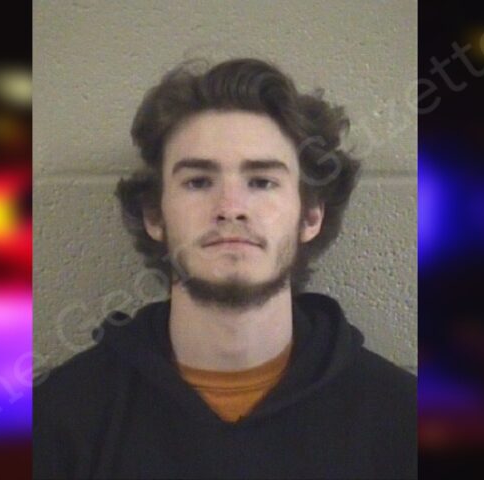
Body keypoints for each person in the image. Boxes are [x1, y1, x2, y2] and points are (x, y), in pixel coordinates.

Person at [33, 58, 417, 479]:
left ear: (311, 216)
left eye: (262, 181)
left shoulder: (402, 421)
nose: (231, 208)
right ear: (154, 216)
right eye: (198, 181)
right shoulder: (57, 419)